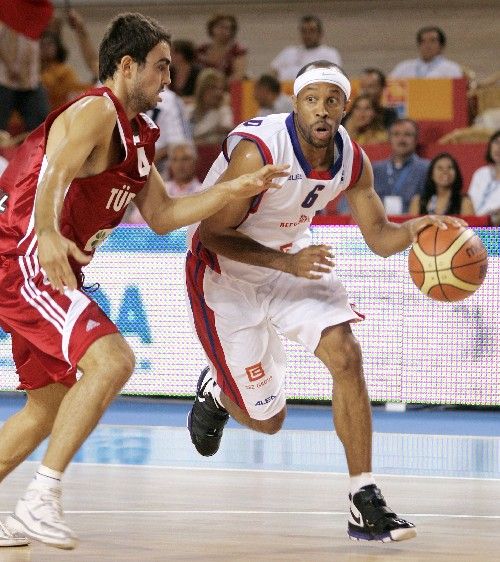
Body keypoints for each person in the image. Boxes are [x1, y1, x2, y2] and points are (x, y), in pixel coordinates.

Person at [0, 12, 288, 550]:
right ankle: (42, 497)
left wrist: (236, 187)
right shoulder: (94, 109)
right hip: (23, 255)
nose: (167, 80)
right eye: (160, 67)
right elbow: (53, 172)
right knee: (113, 361)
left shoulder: (138, 136)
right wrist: (46, 233)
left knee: (49, 404)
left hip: (38, 259)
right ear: (127, 65)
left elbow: (162, 215)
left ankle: (30, 501)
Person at [185, 60, 464, 544]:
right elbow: (212, 234)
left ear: (345, 108)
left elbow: (379, 237)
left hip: (291, 262)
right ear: (295, 104)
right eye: (311, 99)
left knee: (346, 354)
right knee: (269, 422)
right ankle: (217, 391)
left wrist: (417, 230)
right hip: (225, 275)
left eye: (331, 101)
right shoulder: (259, 153)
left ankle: (363, 497)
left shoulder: (353, 161)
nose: (321, 110)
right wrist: (285, 263)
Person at [0, 0, 52, 131]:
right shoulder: (6, 6)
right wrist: (10, 64)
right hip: (4, 78)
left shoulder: (39, 11)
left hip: (30, 80)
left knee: (42, 126)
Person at [372, 119, 429, 214]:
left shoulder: (427, 169)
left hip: (413, 226)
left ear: (416, 139)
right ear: (389, 139)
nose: (401, 139)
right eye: (396, 134)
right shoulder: (375, 170)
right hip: (380, 225)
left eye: (407, 135)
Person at [270, 15, 342, 82]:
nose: (307, 35)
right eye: (304, 31)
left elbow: (334, 78)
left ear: (320, 33)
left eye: (312, 31)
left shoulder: (330, 54)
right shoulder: (289, 52)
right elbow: (272, 73)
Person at [40, 30, 93, 110]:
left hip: (56, 113)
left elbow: (73, 89)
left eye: (49, 44)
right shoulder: (32, 70)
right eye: (42, 45)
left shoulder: (64, 71)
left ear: (57, 47)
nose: (45, 48)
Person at [408, 153, 474, 215]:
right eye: (440, 168)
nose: (445, 171)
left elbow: (472, 227)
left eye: (450, 167)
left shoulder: (465, 202)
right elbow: (410, 227)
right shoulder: (418, 202)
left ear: (456, 173)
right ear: (431, 174)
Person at [148, 87, 192, 176]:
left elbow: (180, 145)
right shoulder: (130, 97)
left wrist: (146, 162)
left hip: (162, 170)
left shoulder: (169, 99)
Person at [390, 26, 463, 79]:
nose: (427, 45)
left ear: (441, 46)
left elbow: (457, 97)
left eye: (432, 41)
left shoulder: (452, 69)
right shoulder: (403, 67)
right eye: (423, 41)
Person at [196, 13, 248, 83]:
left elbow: (238, 75)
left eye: (227, 28)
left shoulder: (237, 51)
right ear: (212, 28)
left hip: (227, 89)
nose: (223, 31)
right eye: (220, 27)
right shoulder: (201, 50)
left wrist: (218, 87)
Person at [189, 68, 234, 145]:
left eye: (221, 89)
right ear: (202, 89)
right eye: (213, 88)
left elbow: (226, 130)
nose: (218, 93)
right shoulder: (188, 111)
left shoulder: (223, 112)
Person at [468, 130, 500, 225]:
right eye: (496, 142)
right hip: (472, 227)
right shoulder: (481, 173)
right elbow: (469, 203)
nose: (498, 148)